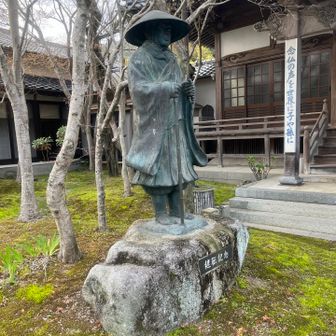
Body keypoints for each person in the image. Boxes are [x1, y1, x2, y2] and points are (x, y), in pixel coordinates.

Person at [125, 10, 207, 225]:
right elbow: (138, 90)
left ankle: (177, 211)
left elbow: (179, 87)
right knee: (159, 171)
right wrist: (164, 88)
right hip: (156, 126)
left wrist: (187, 93)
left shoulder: (171, 59)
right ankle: (161, 214)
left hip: (176, 122)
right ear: (150, 30)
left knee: (180, 170)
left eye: (170, 29)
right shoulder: (139, 58)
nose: (168, 32)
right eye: (164, 28)